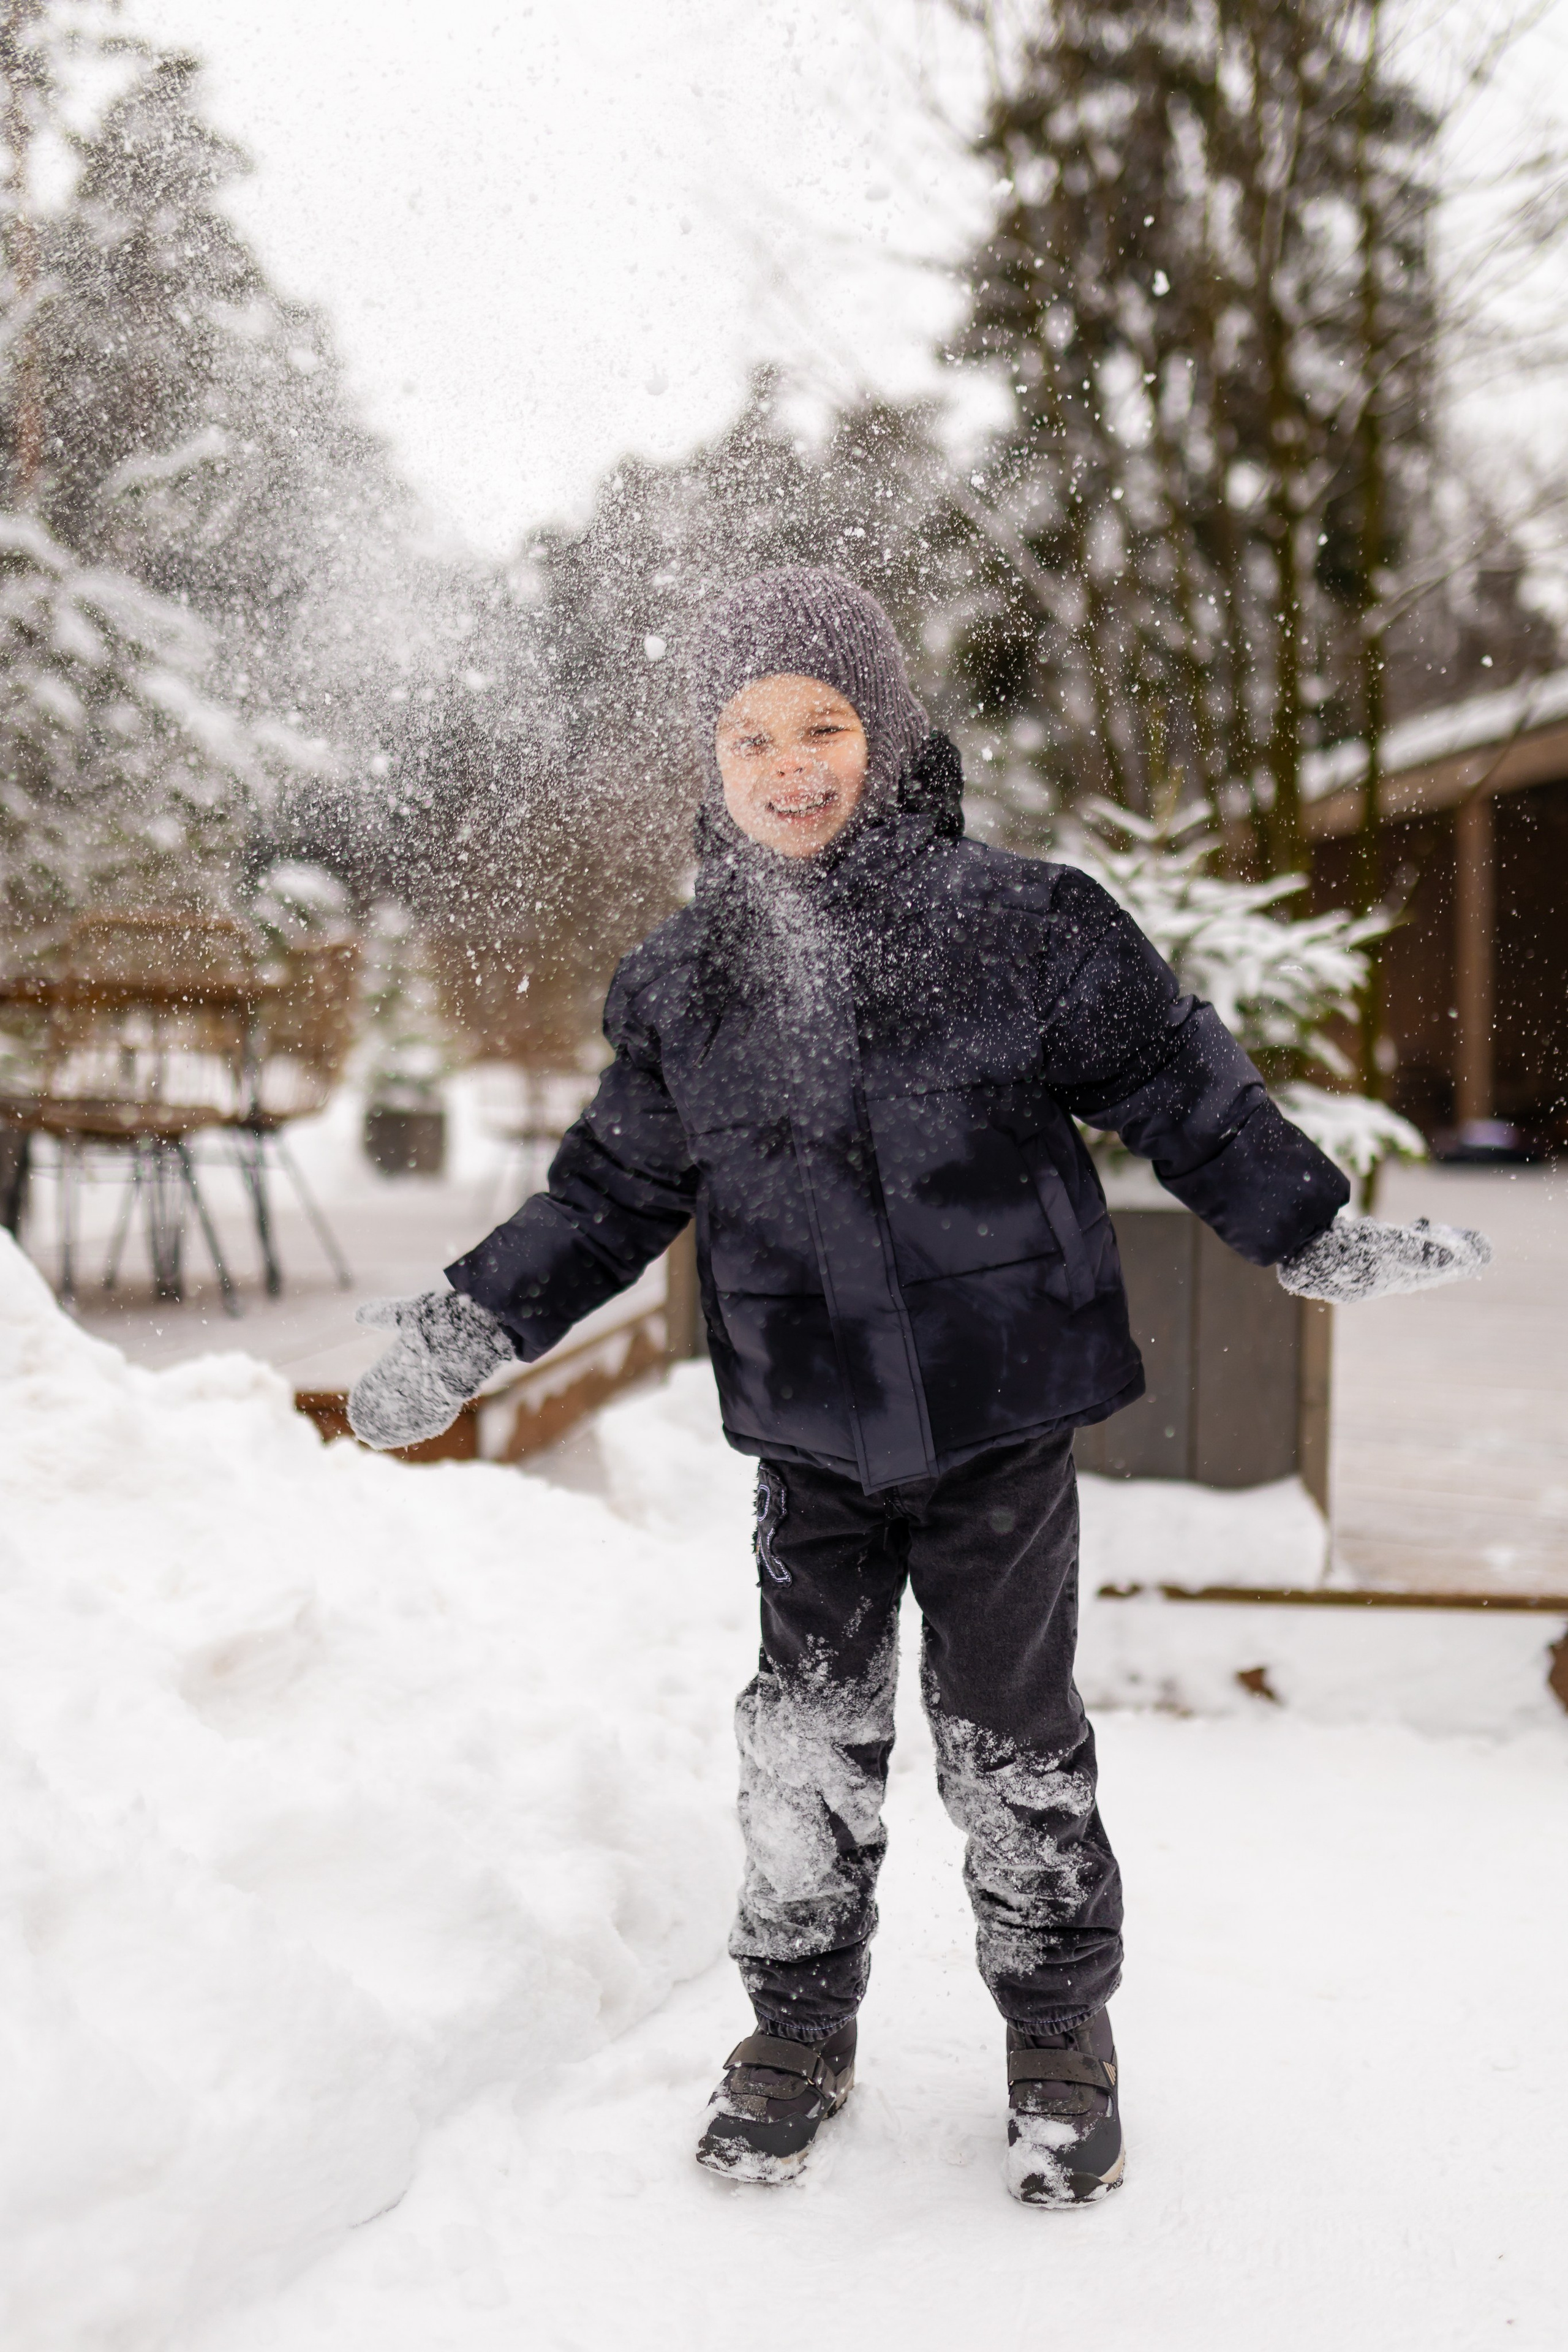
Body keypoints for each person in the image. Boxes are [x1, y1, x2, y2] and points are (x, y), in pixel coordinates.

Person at [349, 568, 1490, 2207]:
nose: (790, 761)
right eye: (751, 735)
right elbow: (607, 1194)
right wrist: (469, 1329)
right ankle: (798, 2032)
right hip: (809, 1440)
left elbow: (1187, 1086)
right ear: (710, 765)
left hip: (997, 1427)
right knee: (802, 1743)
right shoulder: (686, 987)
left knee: (1010, 1738)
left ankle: (1057, 2036)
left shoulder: (1027, 930)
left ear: (889, 738)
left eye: (824, 723)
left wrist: (1308, 1233)